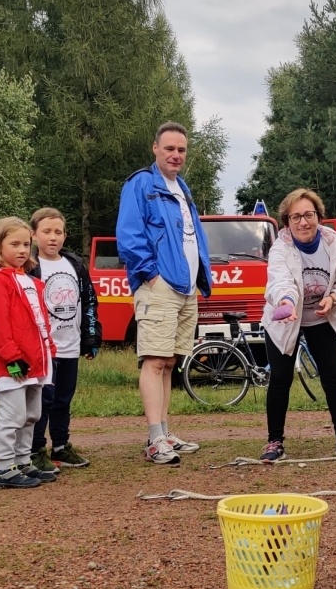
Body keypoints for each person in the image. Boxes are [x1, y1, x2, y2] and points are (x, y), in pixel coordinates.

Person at [116, 122, 211, 465]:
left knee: (170, 361)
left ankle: (165, 431)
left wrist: (200, 280)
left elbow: (192, 237)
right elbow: (129, 234)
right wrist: (151, 277)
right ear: (154, 148)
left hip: (185, 289)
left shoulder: (182, 188)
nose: (175, 155)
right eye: (169, 148)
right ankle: (155, 439)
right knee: (154, 360)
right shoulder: (141, 183)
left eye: (181, 150)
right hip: (159, 286)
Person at [260, 188, 336, 462]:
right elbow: (280, 282)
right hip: (284, 318)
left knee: (333, 376)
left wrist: (333, 297)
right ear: (287, 222)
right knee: (280, 378)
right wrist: (287, 303)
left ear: (318, 216)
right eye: (296, 217)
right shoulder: (280, 249)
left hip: (321, 316)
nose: (303, 222)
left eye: (309, 215)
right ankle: (274, 442)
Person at [0, 217, 57, 489]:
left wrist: (49, 348)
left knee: (31, 415)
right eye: (14, 244)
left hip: (37, 362)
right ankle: (5, 468)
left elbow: (40, 320)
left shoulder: (33, 282)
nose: (22, 250)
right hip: (13, 363)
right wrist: (11, 356)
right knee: (11, 415)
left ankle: (23, 460)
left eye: (26, 243)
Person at [29, 208, 101, 471]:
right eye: (46, 231)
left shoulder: (75, 264)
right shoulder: (30, 266)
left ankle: (60, 446)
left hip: (70, 344)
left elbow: (90, 301)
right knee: (42, 400)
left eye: (58, 232)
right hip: (43, 348)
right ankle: (35, 450)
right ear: (33, 235)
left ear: (65, 236)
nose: (52, 237)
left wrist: (91, 337)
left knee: (63, 399)